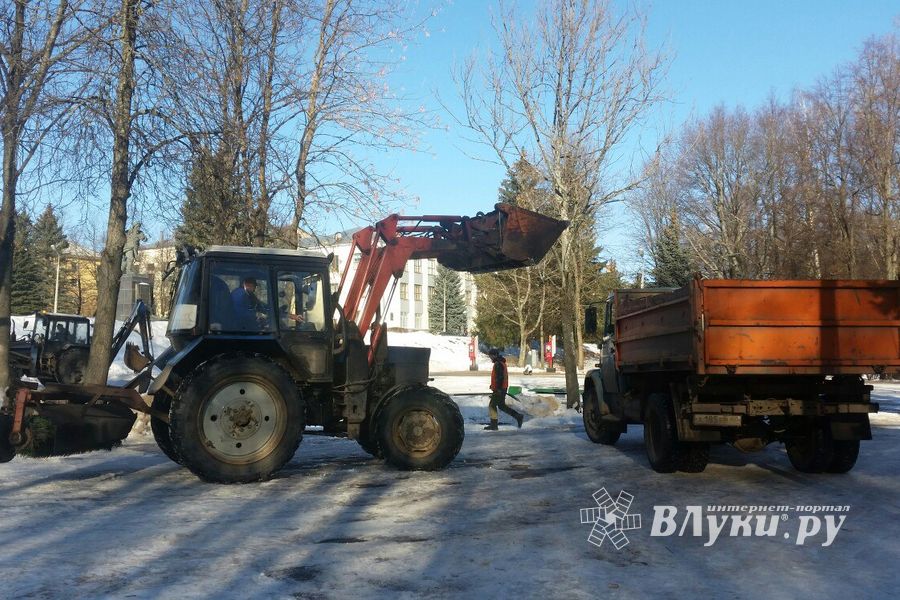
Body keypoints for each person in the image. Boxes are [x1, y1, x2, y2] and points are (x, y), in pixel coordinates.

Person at [485, 348, 524, 430]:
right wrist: (493, 385)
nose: (490, 358)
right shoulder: (501, 363)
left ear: (495, 355)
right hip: (502, 388)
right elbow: (498, 378)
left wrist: (497, 388)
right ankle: (518, 416)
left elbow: (500, 378)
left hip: (499, 389)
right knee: (502, 406)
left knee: (492, 405)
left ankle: (494, 425)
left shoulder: (498, 364)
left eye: (491, 356)